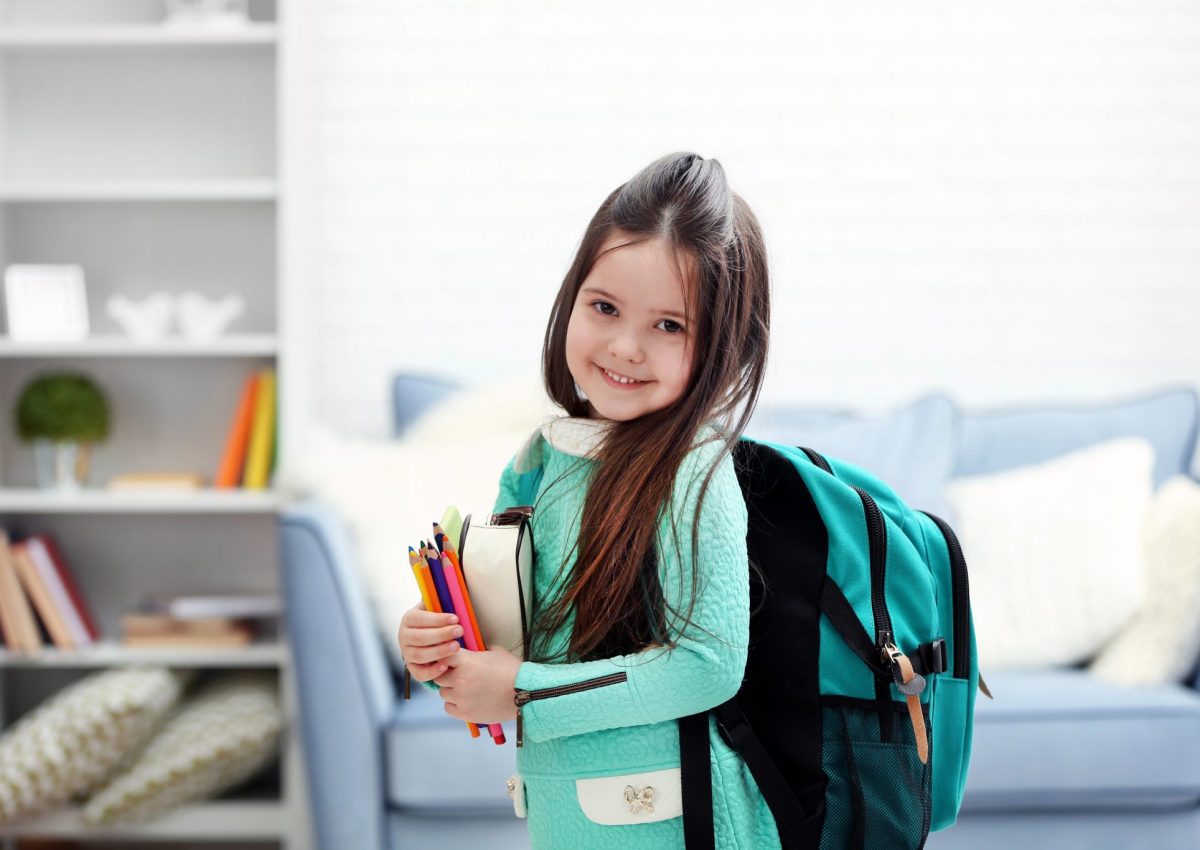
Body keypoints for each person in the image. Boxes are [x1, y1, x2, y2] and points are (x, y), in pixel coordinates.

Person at [397, 151, 778, 849]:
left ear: (722, 344)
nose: (626, 346)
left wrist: (521, 693)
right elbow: (503, 652)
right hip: (566, 819)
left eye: (670, 325)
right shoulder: (541, 461)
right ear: (571, 297)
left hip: (677, 824)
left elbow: (709, 666)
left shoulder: (692, 471)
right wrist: (436, 652)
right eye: (604, 307)